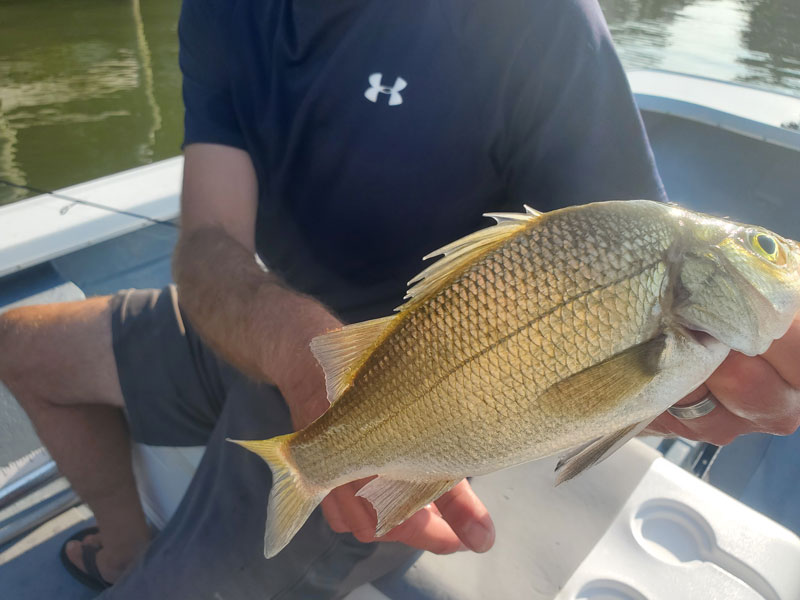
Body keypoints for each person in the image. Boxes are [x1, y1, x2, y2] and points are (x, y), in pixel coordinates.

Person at [1, 0, 798, 597]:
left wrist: (693, 394)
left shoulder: (536, 19)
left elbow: (620, 256)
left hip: (430, 407)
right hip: (271, 333)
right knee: (20, 344)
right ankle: (127, 547)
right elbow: (210, 242)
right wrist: (293, 348)